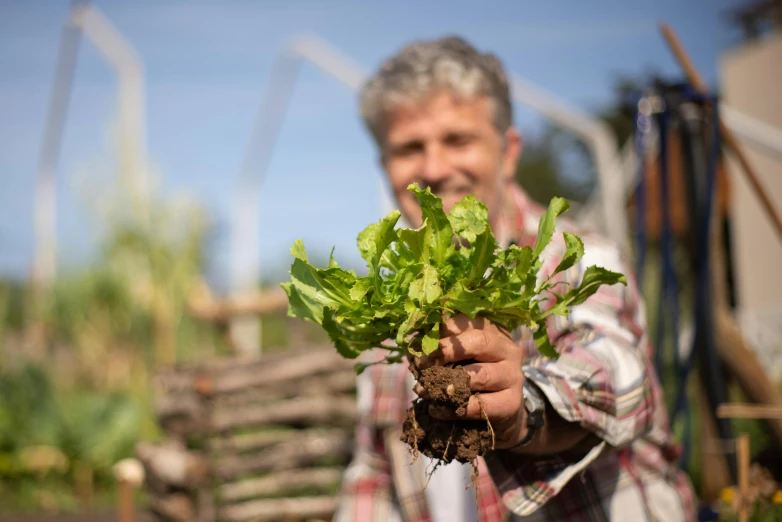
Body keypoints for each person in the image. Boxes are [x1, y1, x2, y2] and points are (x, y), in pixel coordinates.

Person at [332, 35, 696, 522]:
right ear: (386, 168)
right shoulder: (392, 315)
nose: (435, 168)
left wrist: (521, 410)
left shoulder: (569, 259)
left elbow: (619, 375)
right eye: (409, 148)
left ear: (507, 152)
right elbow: (374, 476)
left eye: (458, 140)